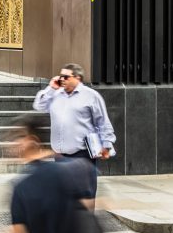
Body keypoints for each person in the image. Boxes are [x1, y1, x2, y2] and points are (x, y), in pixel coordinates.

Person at [32, 63, 115, 200]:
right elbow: (39, 106)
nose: (62, 80)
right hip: (60, 156)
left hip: (82, 155)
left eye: (65, 77)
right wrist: (51, 88)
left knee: (83, 196)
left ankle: (86, 220)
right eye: (60, 77)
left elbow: (103, 122)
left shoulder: (91, 96)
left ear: (77, 77)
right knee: (63, 196)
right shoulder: (55, 94)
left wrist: (106, 145)